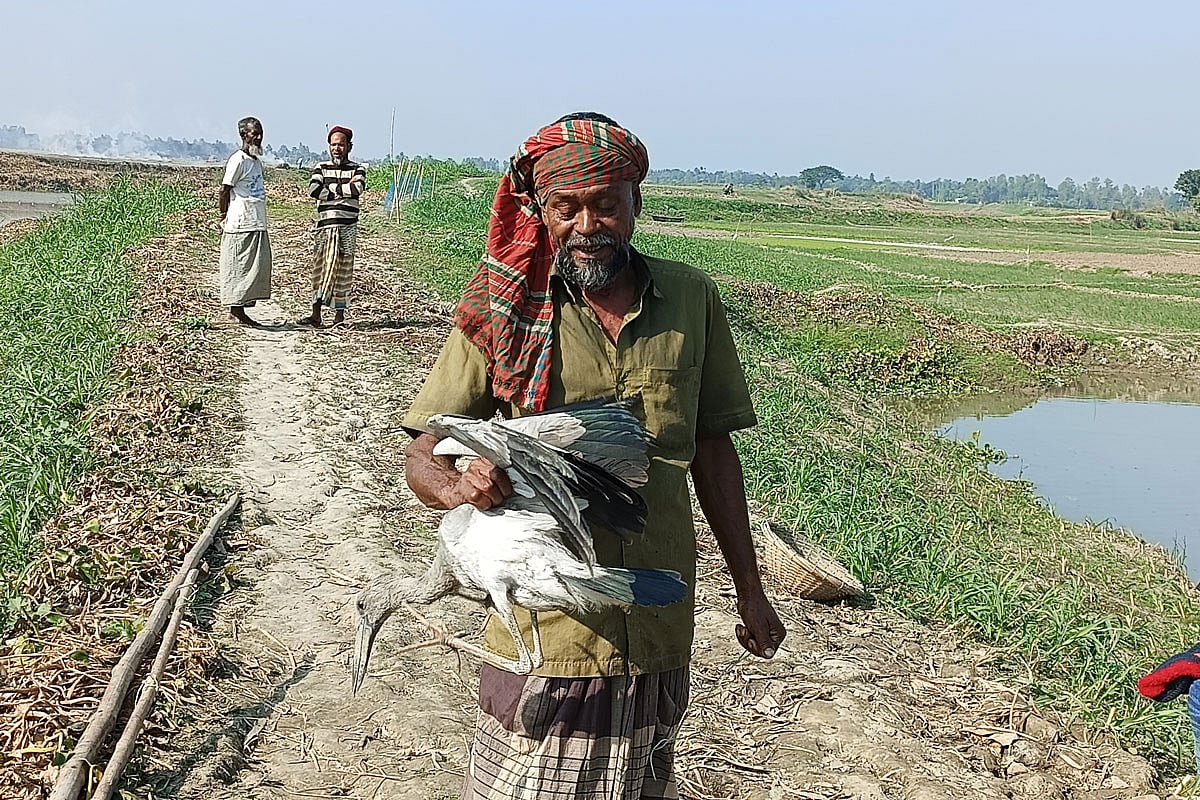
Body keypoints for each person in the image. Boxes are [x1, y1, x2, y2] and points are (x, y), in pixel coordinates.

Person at [402, 112, 786, 799]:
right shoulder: (507, 307)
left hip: (657, 622)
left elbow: (711, 450)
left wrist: (751, 590)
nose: (587, 225)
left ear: (636, 202)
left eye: (606, 204)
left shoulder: (691, 300)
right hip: (550, 630)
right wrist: (461, 485)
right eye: (566, 207)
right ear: (541, 211)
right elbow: (422, 455)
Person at [301, 125, 367, 327]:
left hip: (347, 227)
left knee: (343, 269)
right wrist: (341, 192)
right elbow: (313, 189)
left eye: (341, 145)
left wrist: (329, 189)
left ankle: (339, 316)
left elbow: (357, 188)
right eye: (334, 144)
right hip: (325, 226)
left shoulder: (358, 168)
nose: (337, 148)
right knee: (321, 268)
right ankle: (316, 314)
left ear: (349, 147)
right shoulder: (321, 167)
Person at [219, 117, 272, 326]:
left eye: (260, 133)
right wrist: (223, 216)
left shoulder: (255, 162)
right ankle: (235, 311)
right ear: (243, 135)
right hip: (240, 223)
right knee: (238, 267)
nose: (258, 137)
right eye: (254, 133)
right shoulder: (238, 160)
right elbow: (224, 190)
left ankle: (241, 309)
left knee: (255, 268)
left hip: (256, 221)